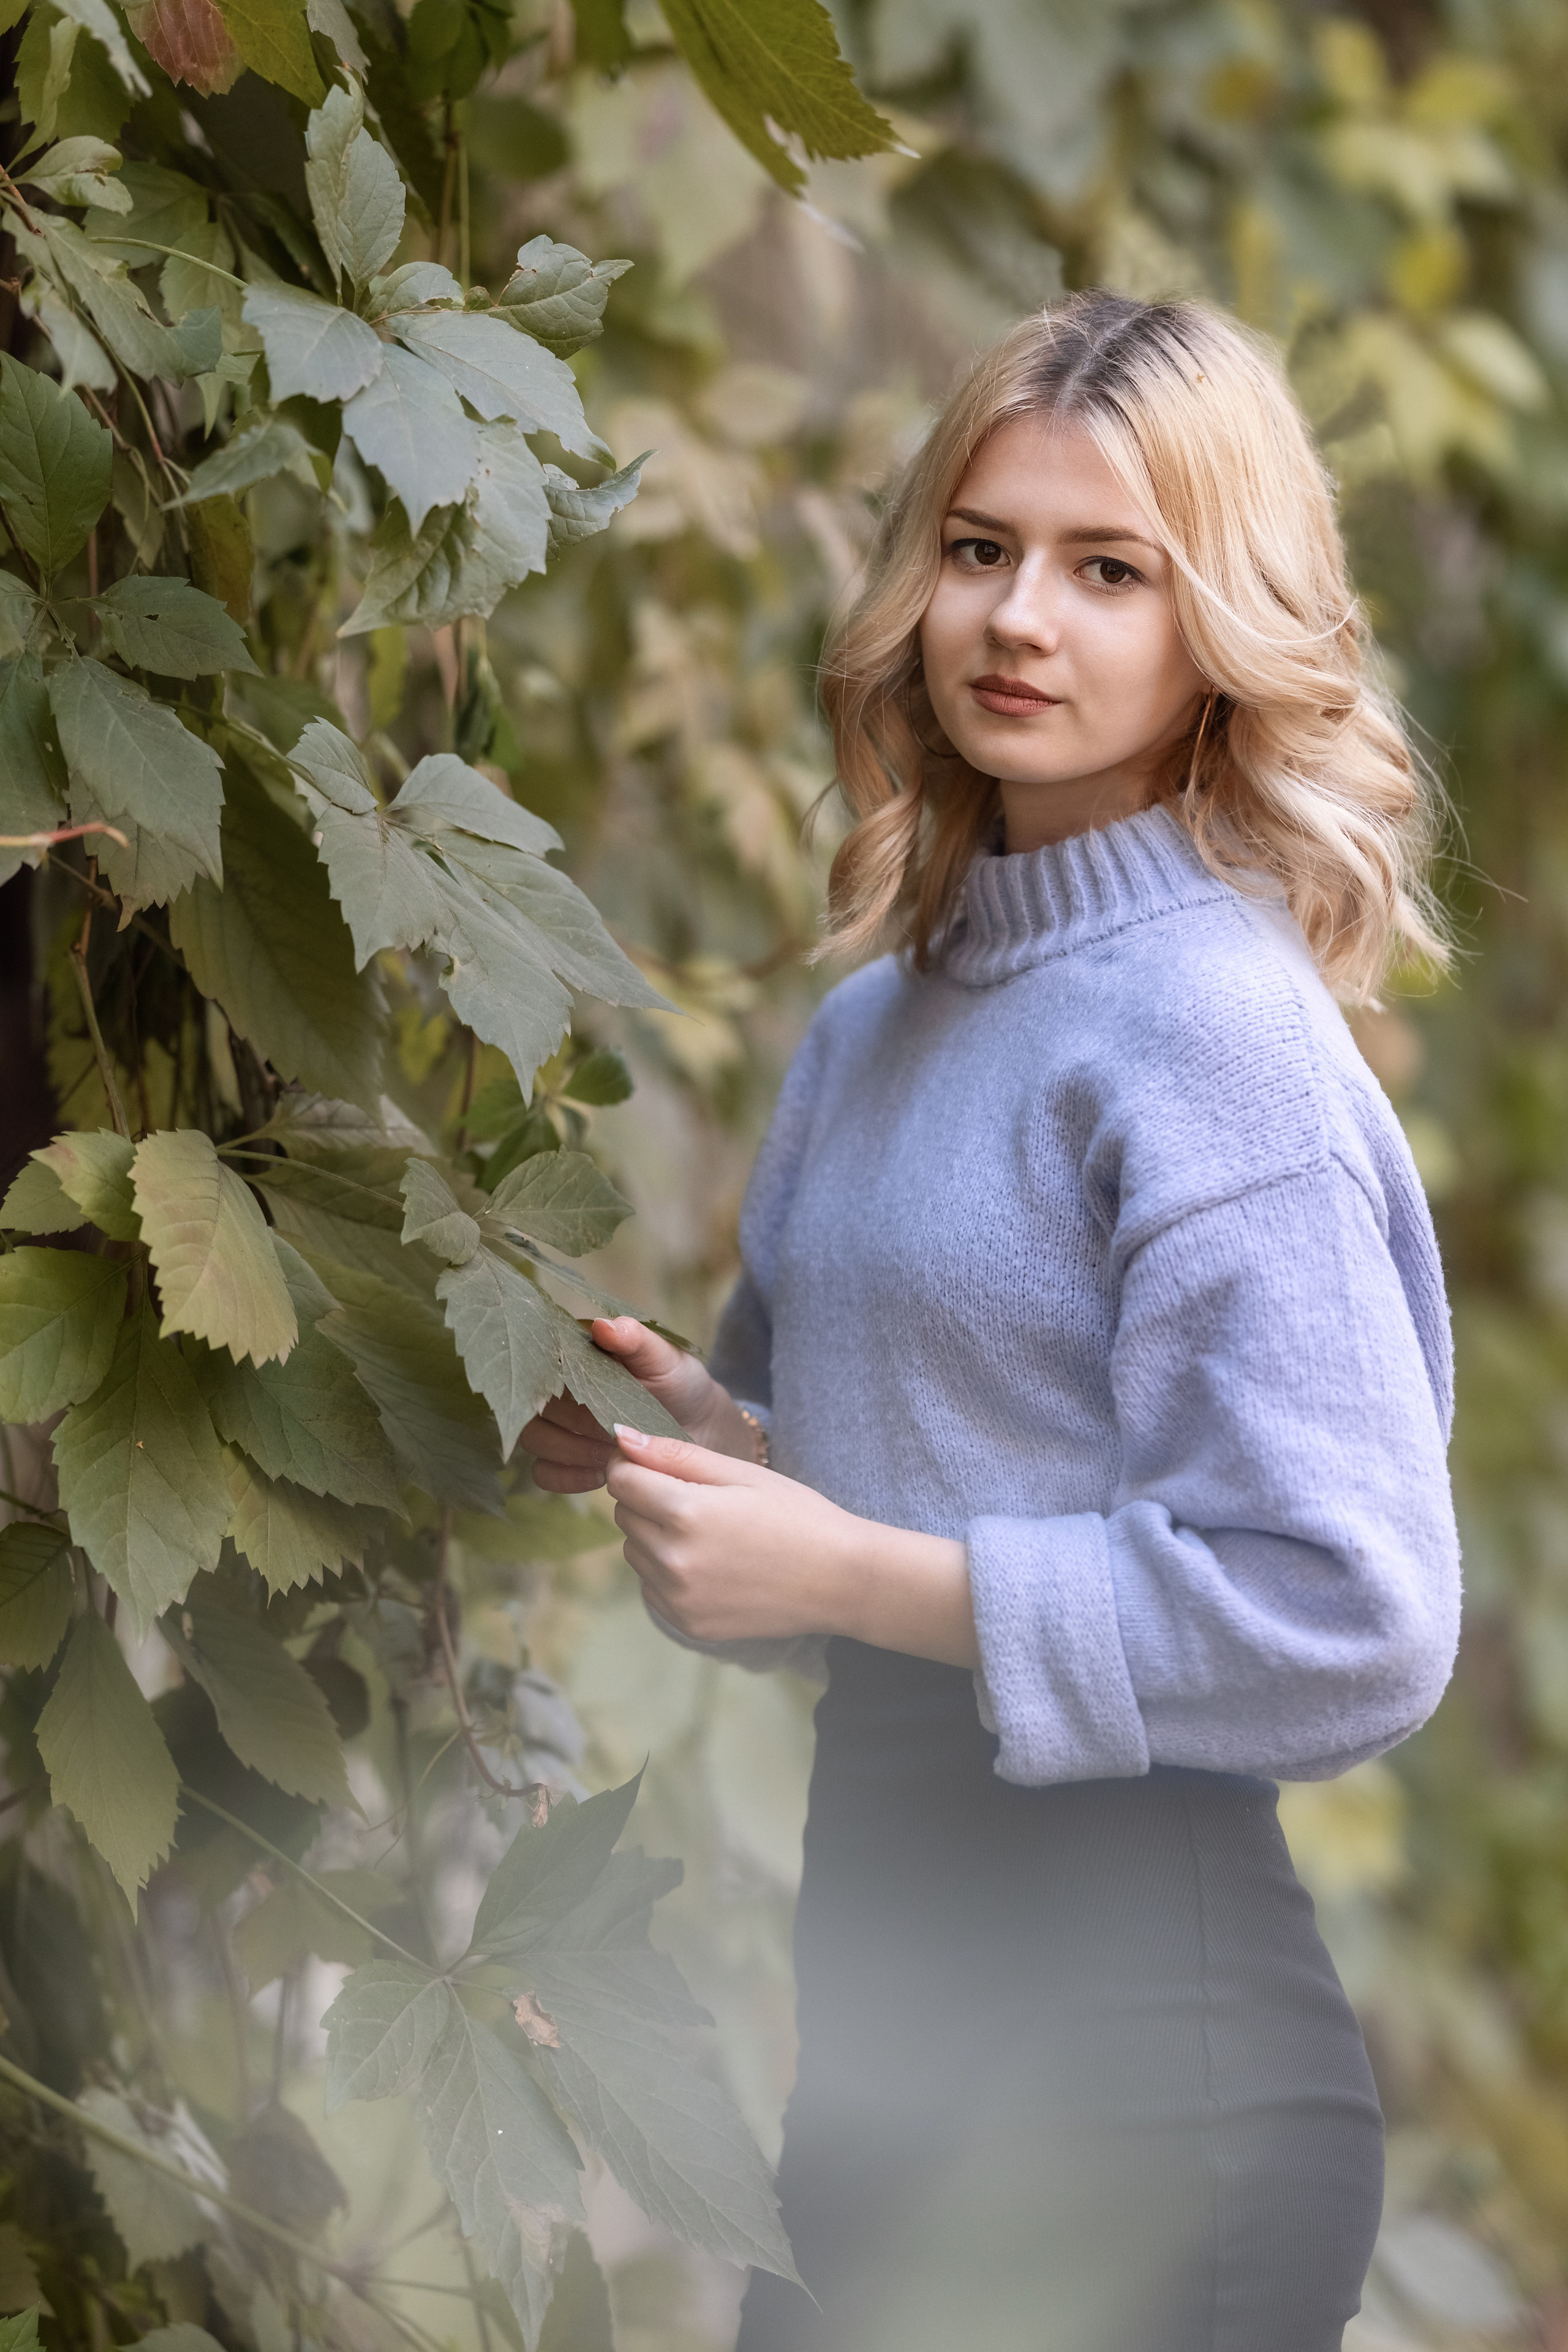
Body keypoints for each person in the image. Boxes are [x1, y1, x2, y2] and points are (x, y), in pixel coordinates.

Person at [519, 291, 1462, 2352]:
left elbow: (1361, 1609)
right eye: (980, 548)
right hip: (884, 2055)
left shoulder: (1220, 1043)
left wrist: (846, 1567)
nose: (1019, 618)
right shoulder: (876, 1027)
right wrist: (703, 1462)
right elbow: (871, 1565)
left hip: (1146, 2081)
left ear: (1216, 619)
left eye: (1108, 568)